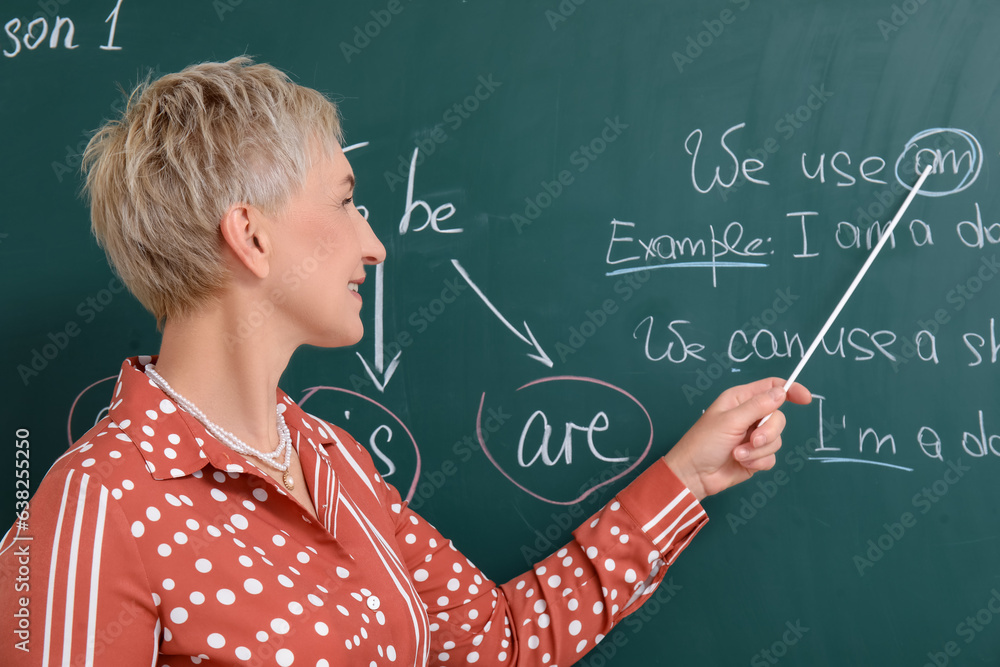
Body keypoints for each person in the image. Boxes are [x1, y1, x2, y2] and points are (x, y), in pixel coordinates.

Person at [0, 57, 810, 666]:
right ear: (251, 236)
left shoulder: (334, 465)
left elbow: (502, 640)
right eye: (347, 198)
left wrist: (689, 476)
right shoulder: (95, 506)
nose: (373, 242)